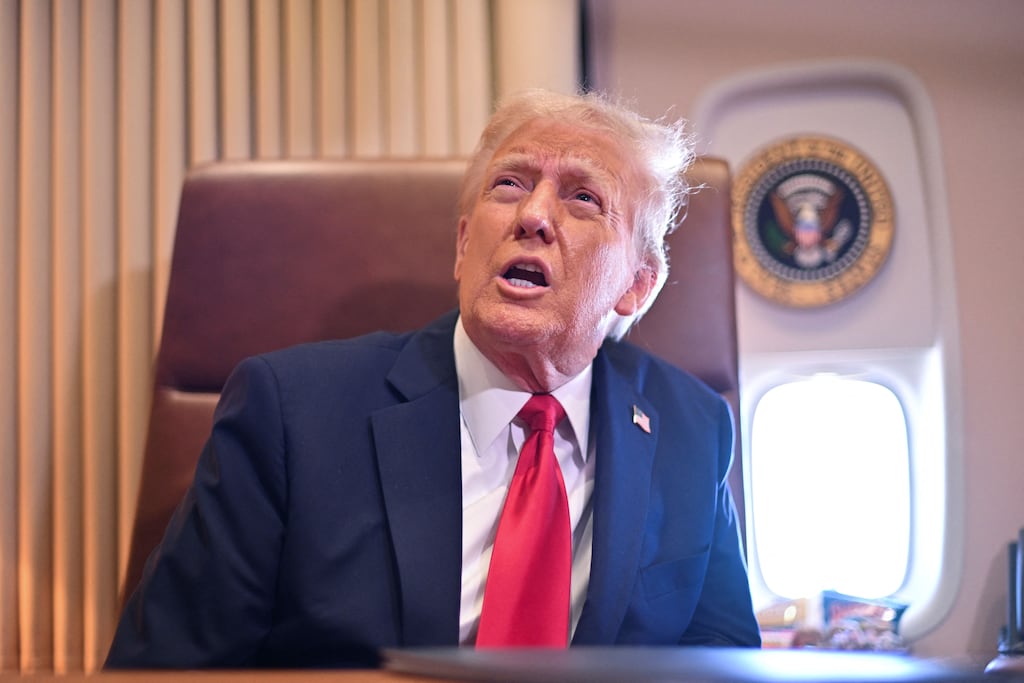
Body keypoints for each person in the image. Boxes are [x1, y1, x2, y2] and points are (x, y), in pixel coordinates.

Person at [105, 89, 761, 669]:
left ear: (635, 287)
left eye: (583, 197)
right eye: (508, 184)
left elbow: (724, 661)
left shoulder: (688, 425)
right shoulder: (291, 411)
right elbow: (166, 667)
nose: (532, 215)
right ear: (463, 243)